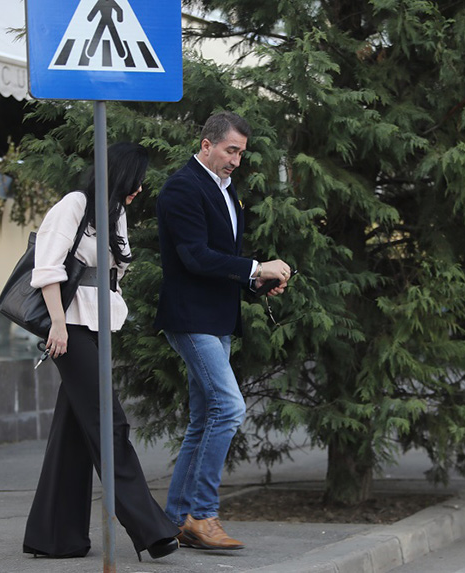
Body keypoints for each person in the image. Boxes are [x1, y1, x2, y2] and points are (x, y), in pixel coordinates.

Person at [23, 142, 180, 561]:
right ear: (119, 175)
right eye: (136, 181)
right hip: (69, 331)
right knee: (111, 424)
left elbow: (111, 276)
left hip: (98, 330)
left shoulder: (114, 214)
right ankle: (151, 529)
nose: (140, 189)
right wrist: (57, 324)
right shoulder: (74, 204)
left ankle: (53, 537)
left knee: (74, 432)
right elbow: (47, 268)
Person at [155, 112, 292, 550]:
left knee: (204, 419)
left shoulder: (227, 191)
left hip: (217, 318)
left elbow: (219, 260)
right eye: (231, 150)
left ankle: (175, 521)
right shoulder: (182, 187)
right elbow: (194, 257)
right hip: (190, 318)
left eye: (241, 153)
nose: (236, 160)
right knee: (229, 407)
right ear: (207, 144)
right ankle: (203, 514)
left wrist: (256, 283)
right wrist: (255, 266)